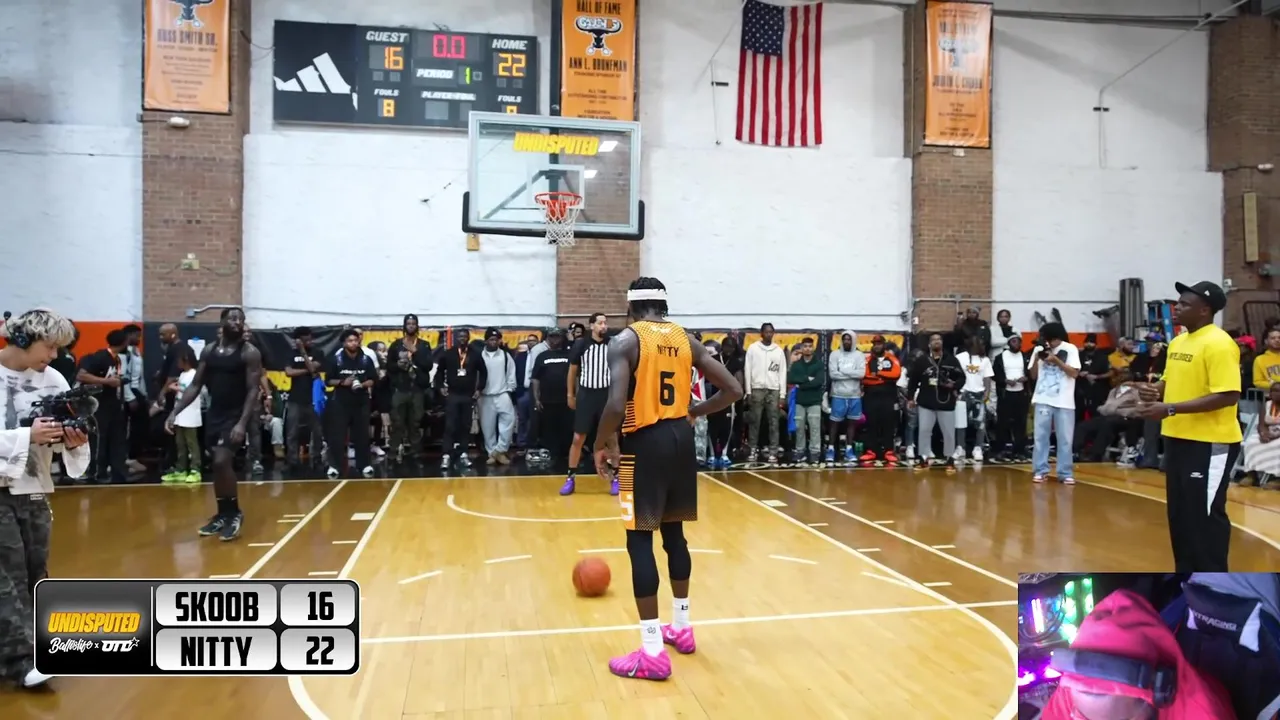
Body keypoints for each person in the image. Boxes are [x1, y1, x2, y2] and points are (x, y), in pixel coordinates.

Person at [593, 277, 743, 680]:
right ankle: (681, 626)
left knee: (639, 539)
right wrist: (695, 410)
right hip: (681, 441)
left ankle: (652, 651)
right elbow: (733, 389)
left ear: (631, 307)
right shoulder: (686, 339)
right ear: (663, 306)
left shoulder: (625, 341)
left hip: (645, 442)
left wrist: (600, 444)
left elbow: (615, 404)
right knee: (674, 535)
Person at [0, 309, 90, 689]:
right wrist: (27, 435)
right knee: (7, 575)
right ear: (22, 339)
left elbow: (64, 434)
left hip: (35, 487)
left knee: (35, 570)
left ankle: (33, 645)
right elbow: (29, 434)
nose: (54, 356)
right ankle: (22, 660)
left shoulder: (53, 379)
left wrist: (73, 441)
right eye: (49, 347)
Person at [1135, 281, 1241, 572]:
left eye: (1184, 304)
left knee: (1203, 517)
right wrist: (1154, 391)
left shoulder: (1219, 344)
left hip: (1210, 443)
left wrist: (1169, 408)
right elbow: (1169, 380)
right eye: (1178, 303)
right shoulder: (1179, 342)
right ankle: (1187, 577)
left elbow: (1228, 395)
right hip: (1177, 437)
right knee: (1180, 518)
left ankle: (1213, 579)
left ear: (1205, 310)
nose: (1177, 308)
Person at [166, 307, 263, 542]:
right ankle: (222, 514)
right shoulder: (209, 351)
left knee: (221, 460)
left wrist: (242, 423)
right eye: (232, 318)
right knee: (218, 466)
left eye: (241, 319)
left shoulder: (249, 353)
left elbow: (253, 390)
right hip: (215, 414)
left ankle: (234, 513)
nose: (237, 322)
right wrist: (174, 413)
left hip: (236, 415)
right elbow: (196, 385)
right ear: (222, 323)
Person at [565, 313, 616, 495]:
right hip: (586, 394)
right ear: (592, 325)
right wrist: (570, 394)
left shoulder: (613, 344)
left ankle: (615, 477)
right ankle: (570, 478)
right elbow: (572, 371)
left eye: (605, 323)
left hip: (606, 395)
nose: (604, 326)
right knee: (578, 438)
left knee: (611, 437)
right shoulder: (581, 344)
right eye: (600, 323)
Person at [1029, 322, 1082, 484]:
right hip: (1042, 398)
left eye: (1047, 339)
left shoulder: (1070, 349)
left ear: (1055, 338)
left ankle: (1065, 472)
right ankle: (1040, 470)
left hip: (1064, 401)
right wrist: (1037, 358)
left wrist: (1056, 361)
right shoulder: (1038, 349)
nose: (1046, 343)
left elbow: (1074, 373)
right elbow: (1033, 375)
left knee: (1065, 438)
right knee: (1040, 437)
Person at [76, 329, 130, 484]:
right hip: (98, 405)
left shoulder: (117, 359)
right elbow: (82, 375)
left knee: (116, 438)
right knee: (99, 438)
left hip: (113, 404)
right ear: (124, 342)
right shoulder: (99, 357)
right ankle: (95, 472)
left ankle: (116, 472)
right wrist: (107, 382)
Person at [906, 333, 964, 470]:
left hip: (946, 402)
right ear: (929, 344)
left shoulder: (952, 360)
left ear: (942, 343)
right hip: (926, 402)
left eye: (939, 339)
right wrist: (910, 398)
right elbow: (913, 381)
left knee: (948, 432)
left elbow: (962, 377)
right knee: (924, 430)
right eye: (933, 340)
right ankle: (923, 458)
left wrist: (954, 386)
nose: (936, 341)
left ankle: (949, 459)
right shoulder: (922, 361)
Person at [325, 329, 377, 478]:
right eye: (350, 341)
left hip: (361, 402)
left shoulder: (366, 359)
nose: (353, 343)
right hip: (341, 403)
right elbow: (328, 380)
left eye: (355, 340)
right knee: (338, 436)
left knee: (362, 435)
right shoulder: (336, 359)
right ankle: (334, 466)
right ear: (344, 343)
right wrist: (343, 382)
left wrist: (362, 384)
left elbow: (373, 379)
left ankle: (364, 464)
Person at [435, 328, 485, 470]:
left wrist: (479, 389)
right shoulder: (449, 353)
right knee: (450, 425)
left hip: (468, 395)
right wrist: (440, 386)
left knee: (465, 425)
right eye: (460, 336)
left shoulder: (475, 354)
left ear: (468, 338)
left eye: (465, 336)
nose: (462, 339)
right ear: (456, 338)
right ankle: (446, 455)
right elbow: (439, 371)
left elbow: (484, 372)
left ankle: (463, 453)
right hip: (453, 395)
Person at [531, 329, 574, 472]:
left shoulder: (569, 355)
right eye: (552, 337)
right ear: (548, 338)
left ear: (562, 338)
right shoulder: (542, 356)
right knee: (549, 429)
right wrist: (536, 398)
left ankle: (567, 456)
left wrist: (575, 395)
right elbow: (535, 379)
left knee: (567, 428)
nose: (555, 340)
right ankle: (553, 455)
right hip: (547, 400)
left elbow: (576, 376)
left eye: (557, 337)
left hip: (566, 399)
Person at [743, 323, 786, 464]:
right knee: (755, 421)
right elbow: (747, 370)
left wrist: (782, 394)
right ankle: (753, 449)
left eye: (771, 332)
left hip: (774, 390)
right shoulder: (753, 349)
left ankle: (773, 451)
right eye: (766, 332)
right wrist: (748, 391)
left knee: (774, 422)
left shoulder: (778, 351)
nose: (769, 334)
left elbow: (782, 373)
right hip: (757, 389)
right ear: (761, 333)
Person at [283, 327, 325, 469]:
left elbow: (314, 368)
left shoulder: (317, 352)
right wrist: (307, 370)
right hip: (295, 397)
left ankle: (316, 457)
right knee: (292, 431)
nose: (309, 342)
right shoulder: (290, 353)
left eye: (310, 339)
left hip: (313, 397)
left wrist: (303, 352)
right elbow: (289, 372)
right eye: (305, 340)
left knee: (317, 430)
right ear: (298, 340)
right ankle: (292, 460)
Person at [163, 346, 203, 484]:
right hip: (180, 414)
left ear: (186, 360)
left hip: (190, 413)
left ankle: (195, 469)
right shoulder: (182, 374)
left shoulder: (194, 374)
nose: (177, 363)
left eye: (179, 360)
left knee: (191, 443)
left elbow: (191, 390)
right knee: (180, 443)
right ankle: (181, 469)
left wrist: (176, 388)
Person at [825, 331, 866, 464]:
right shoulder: (835, 354)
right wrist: (852, 374)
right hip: (838, 394)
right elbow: (833, 374)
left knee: (852, 424)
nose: (846, 341)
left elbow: (861, 374)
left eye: (849, 339)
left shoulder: (859, 355)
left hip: (854, 395)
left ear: (853, 340)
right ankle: (831, 449)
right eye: (844, 339)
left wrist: (843, 372)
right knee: (834, 423)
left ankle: (849, 449)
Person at [478, 328, 517, 467]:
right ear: (486, 341)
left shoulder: (505, 356)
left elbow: (511, 373)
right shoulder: (479, 356)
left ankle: (500, 450)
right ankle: (492, 454)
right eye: (491, 339)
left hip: (502, 394)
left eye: (496, 339)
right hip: (485, 396)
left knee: (509, 421)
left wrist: (510, 389)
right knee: (487, 427)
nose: (494, 342)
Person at [861, 335, 902, 465]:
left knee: (888, 423)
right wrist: (884, 379)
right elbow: (864, 377)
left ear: (884, 345)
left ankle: (889, 451)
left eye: (879, 343)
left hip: (888, 396)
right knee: (871, 423)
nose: (877, 346)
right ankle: (871, 451)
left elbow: (896, 374)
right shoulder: (867, 360)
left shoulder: (892, 359)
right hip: (871, 396)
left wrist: (878, 374)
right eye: (875, 344)